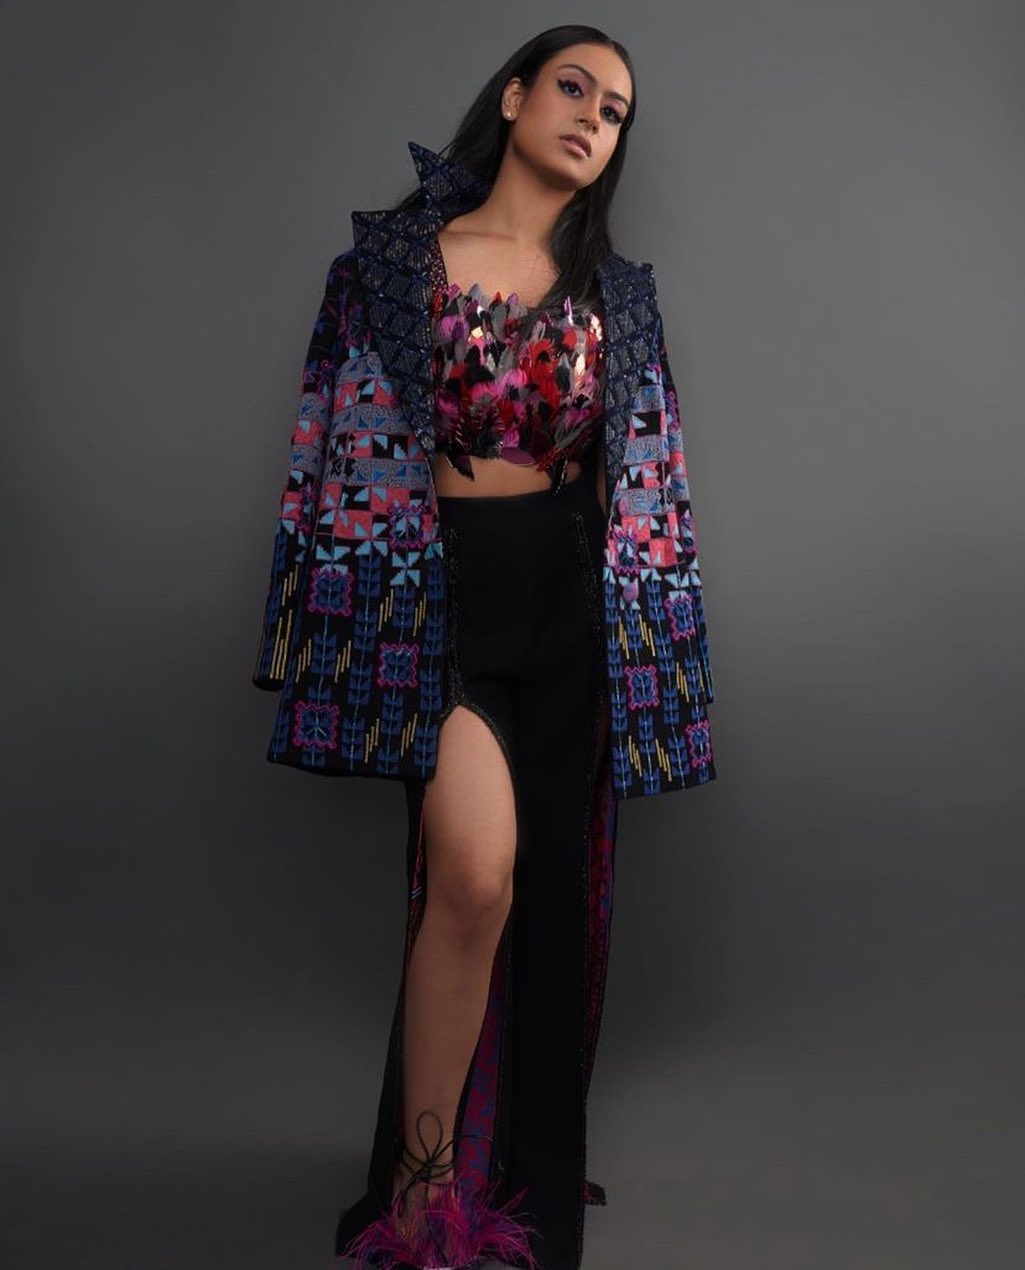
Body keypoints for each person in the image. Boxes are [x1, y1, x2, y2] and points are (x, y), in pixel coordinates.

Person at [251, 23, 718, 1270]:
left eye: (614, 112)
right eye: (572, 88)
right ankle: (418, 1202)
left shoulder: (617, 293)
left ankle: (519, 1179)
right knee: (470, 875)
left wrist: (653, 653)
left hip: (569, 601)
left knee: (555, 898)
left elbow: (644, 482)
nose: (591, 119)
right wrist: (314, 610)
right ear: (512, 96)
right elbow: (325, 443)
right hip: (433, 592)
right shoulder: (388, 267)